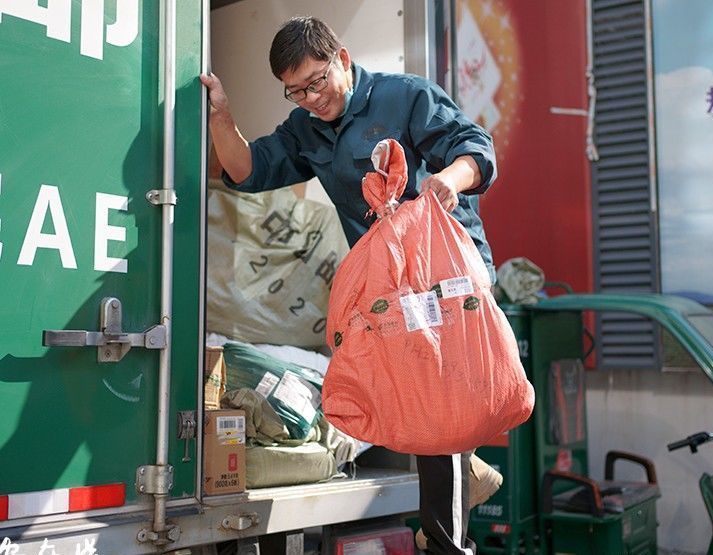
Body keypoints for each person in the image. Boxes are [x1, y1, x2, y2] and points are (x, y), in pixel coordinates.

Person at [201, 16, 501, 555]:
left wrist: (445, 182)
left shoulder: (403, 97)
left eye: (317, 82)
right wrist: (222, 116)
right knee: (390, 388)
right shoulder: (306, 128)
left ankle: (448, 543)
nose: (310, 98)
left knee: (441, 396)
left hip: (445, 278)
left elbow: (475, 148)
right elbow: (248, 169)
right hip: (388, 289)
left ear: (342, 58)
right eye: (295, 91)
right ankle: (467, 468)